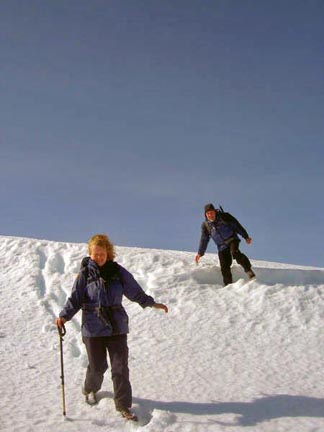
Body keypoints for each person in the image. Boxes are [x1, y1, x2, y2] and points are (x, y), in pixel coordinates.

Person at [55, 234, 168, 422]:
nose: (98, 257)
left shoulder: (118, 272)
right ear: (90, 254)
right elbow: (75, 299)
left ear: (108, 253)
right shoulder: (85, 275)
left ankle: (123, 405)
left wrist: (152, 303)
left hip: (116, 326)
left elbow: (135, 291)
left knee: (120, 367)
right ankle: (90, 389)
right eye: (95, 254)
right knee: (97, 366)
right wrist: (63, 316)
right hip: (93, 327)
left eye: (102, 253)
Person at [195, 203, 255, 286]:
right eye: (208, 213)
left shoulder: (224, 216)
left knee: (235, 253)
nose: (210, 215)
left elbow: (237, 226)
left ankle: (248, 270)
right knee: (224, 266)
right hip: (221, 246)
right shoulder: (206, 225)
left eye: (212, 212)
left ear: (215, 212)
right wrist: (200, 253)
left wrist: (246, 236)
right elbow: (204, 239)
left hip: (232, 239)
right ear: (205, 215)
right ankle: (228, 285)